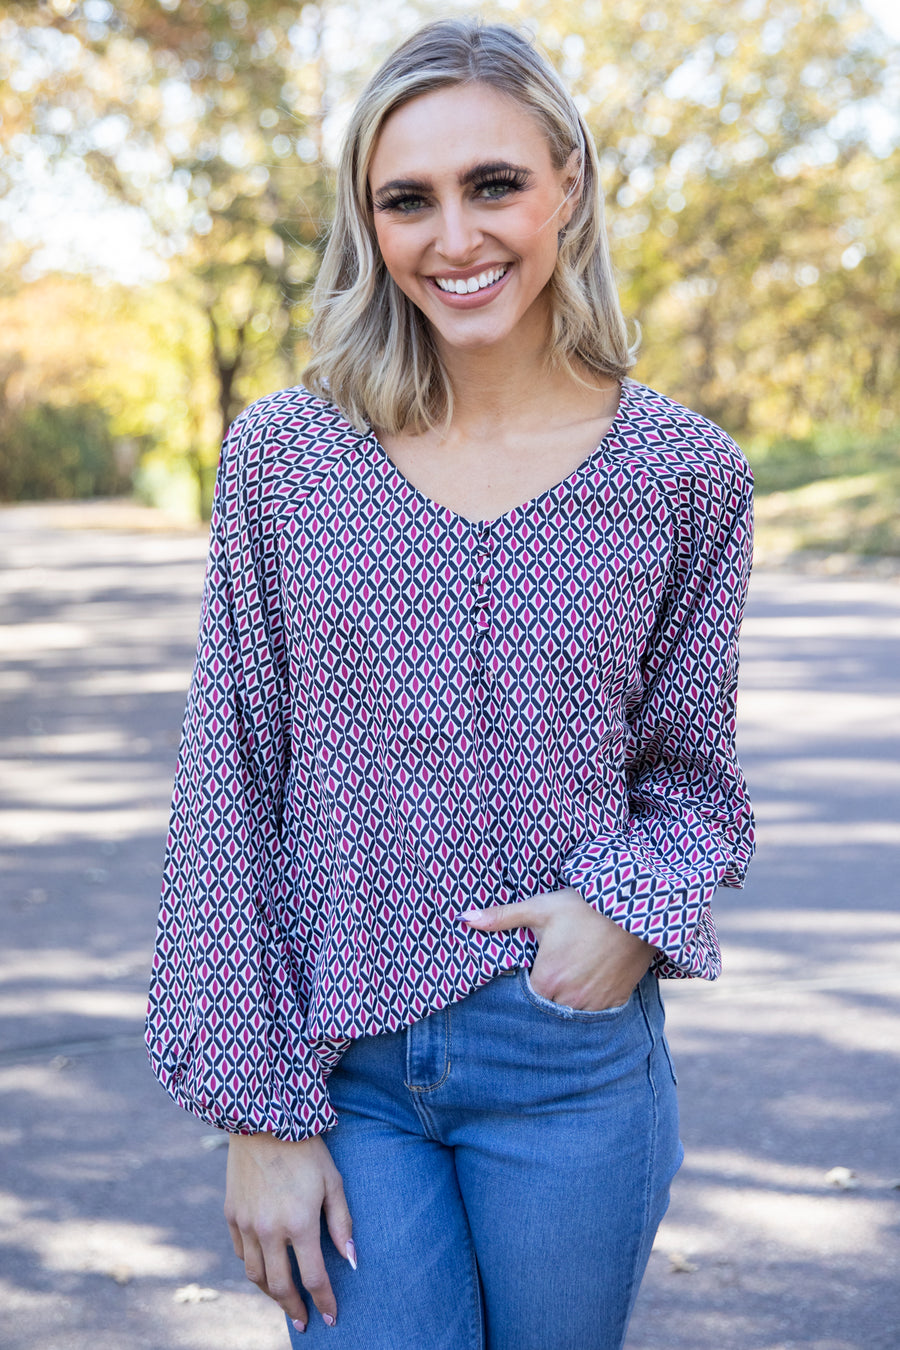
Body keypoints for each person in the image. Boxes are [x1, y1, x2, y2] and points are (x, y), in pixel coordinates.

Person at [146, 18, 754, 1350]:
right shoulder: (286, 456)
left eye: (495, 185)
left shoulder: (682, 470)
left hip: (570, 1062)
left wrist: (626, 913)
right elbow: (231, 778)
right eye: (405, 199)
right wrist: (260, 1113)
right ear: (368, 222)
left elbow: (694, 783)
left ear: (569, 184)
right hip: (341, 1071)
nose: (454, 237)